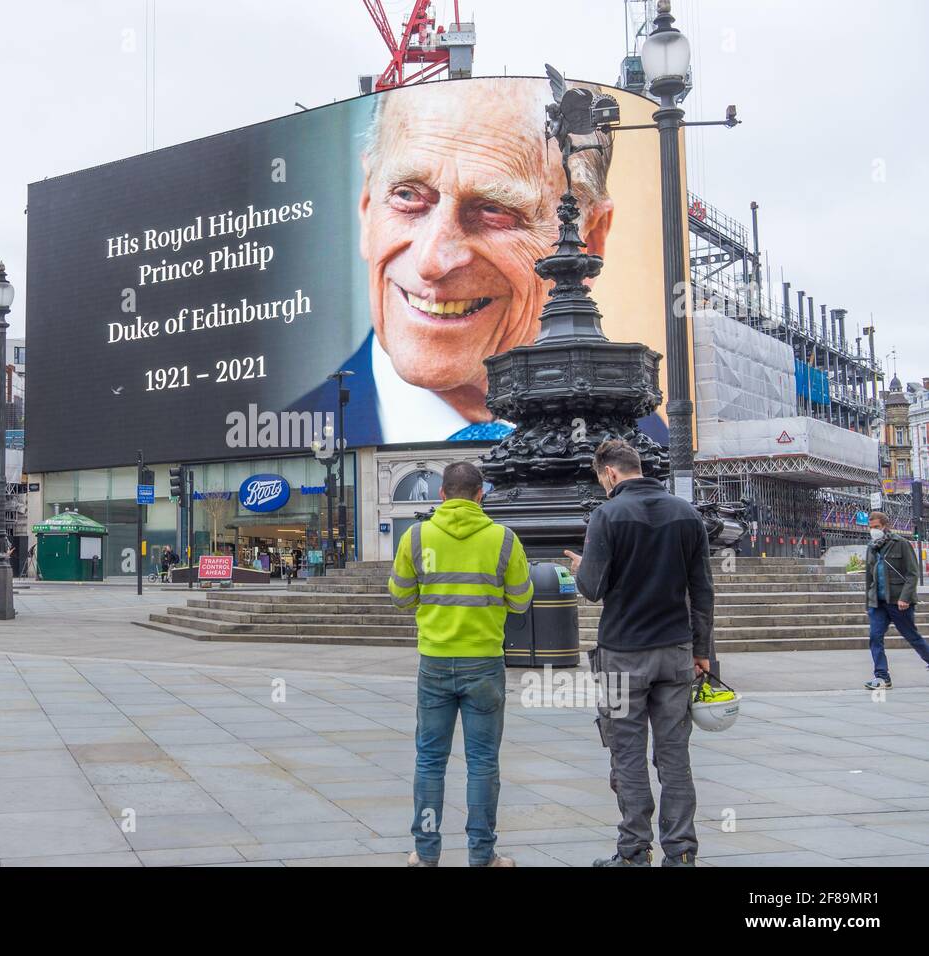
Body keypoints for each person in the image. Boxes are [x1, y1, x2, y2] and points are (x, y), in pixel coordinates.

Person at [292, 78, 668, 447]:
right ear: (366, 206)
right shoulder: (286, 435)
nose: (431, 261)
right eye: (407, 195)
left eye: (494, 210)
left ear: (591, 240)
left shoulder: (650, 438)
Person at [564, 440, 714, 868]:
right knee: (675, 754)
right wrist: (702, 651)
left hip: (622, 653)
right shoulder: (687, 515)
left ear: (609, 473)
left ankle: (633, 850)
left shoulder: (606, 515)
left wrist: (579, 568)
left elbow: (592, 588)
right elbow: (703, 590)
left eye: (600, 478)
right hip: (675, 651)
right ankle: (682, 850)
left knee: (626, 752)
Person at [388, 460, 532, 867]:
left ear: (442, 493)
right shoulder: (503, 540)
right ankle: (482, 854)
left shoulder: (416, 536)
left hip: (434, 660)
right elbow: (521, 600)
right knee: (483, 762)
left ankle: (427, 851)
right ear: (480, 494)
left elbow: (400, 596)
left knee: (430, 759)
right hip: (484, 661)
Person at [862, 511, 929, 690]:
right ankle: (882, 677)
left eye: (876, 527)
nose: (873, 530)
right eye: (870, 527)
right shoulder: (871, 547)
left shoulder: (900, 544)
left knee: (912, 637)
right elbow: (869, 576)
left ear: (885, 525)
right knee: (875, 637)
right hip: (878, 602)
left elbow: (913, 573)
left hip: (899, 601)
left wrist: (905, 597)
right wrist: (868, 602)